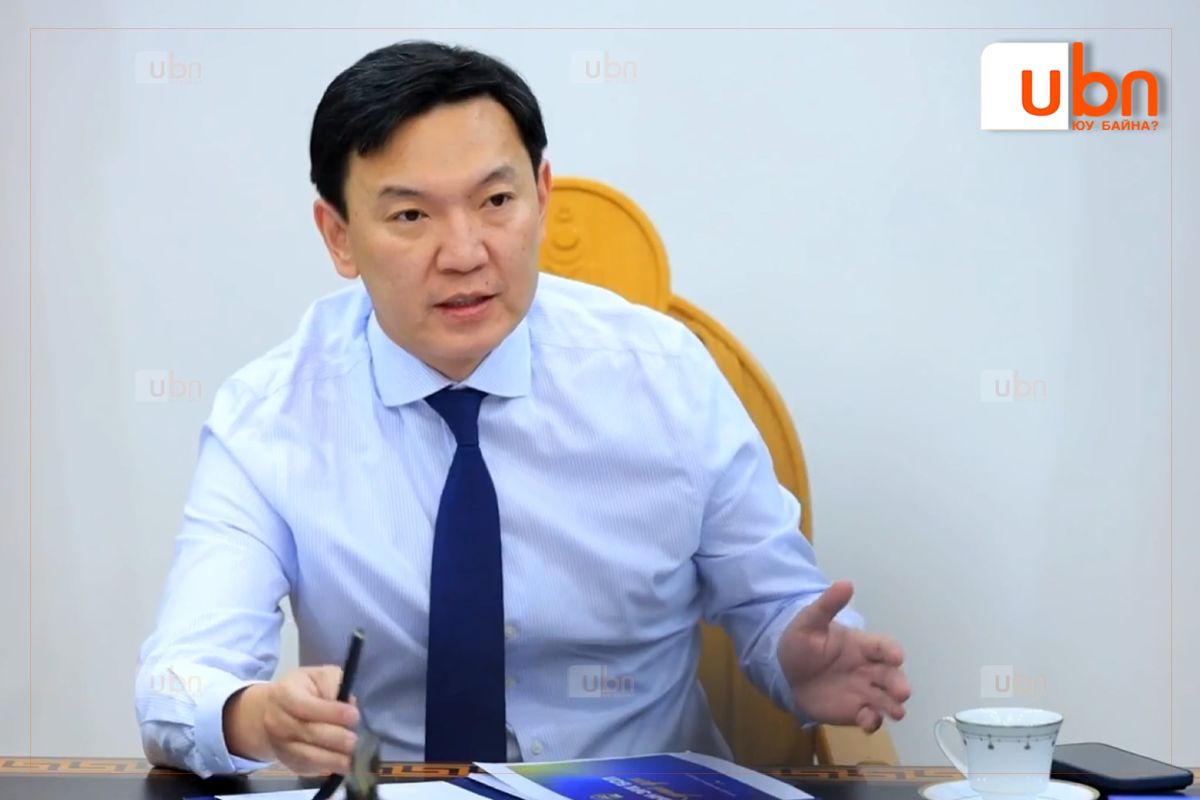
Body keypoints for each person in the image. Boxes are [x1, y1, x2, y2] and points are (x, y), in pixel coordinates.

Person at [135, 40, 910, 780]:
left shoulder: (663, 377)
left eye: (496, 201)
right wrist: (254, 717)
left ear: (541, 197)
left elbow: (776, 603)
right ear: (338, 236)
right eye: (411, 217)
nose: (465, 253)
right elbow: (177, 681)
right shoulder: (271, 416)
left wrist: (796, 657)